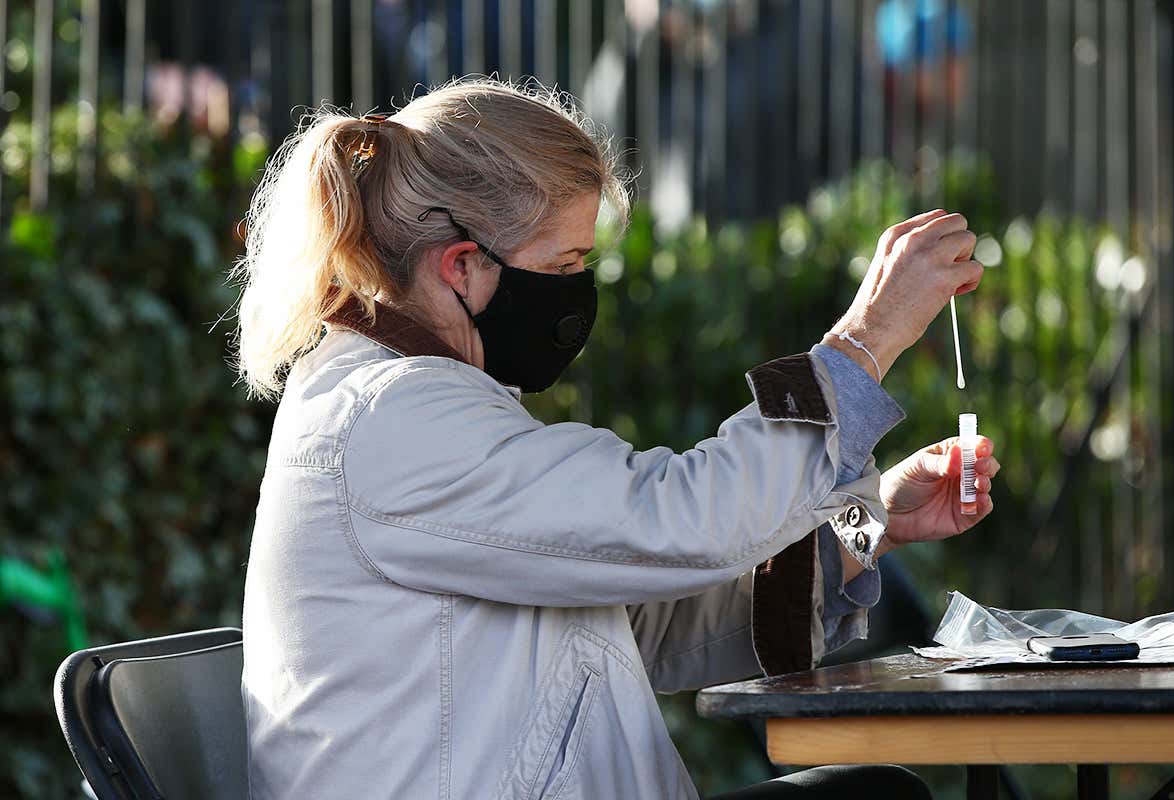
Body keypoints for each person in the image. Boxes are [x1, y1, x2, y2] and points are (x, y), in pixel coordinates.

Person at [234, 78, 999, 800]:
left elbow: (655, 620)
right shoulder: (390, 422)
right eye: (563, 264)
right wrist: (863, 343)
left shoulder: (425, 406)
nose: (577, 290)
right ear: (463, 267)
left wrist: (871, 522)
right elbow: (681, 521)